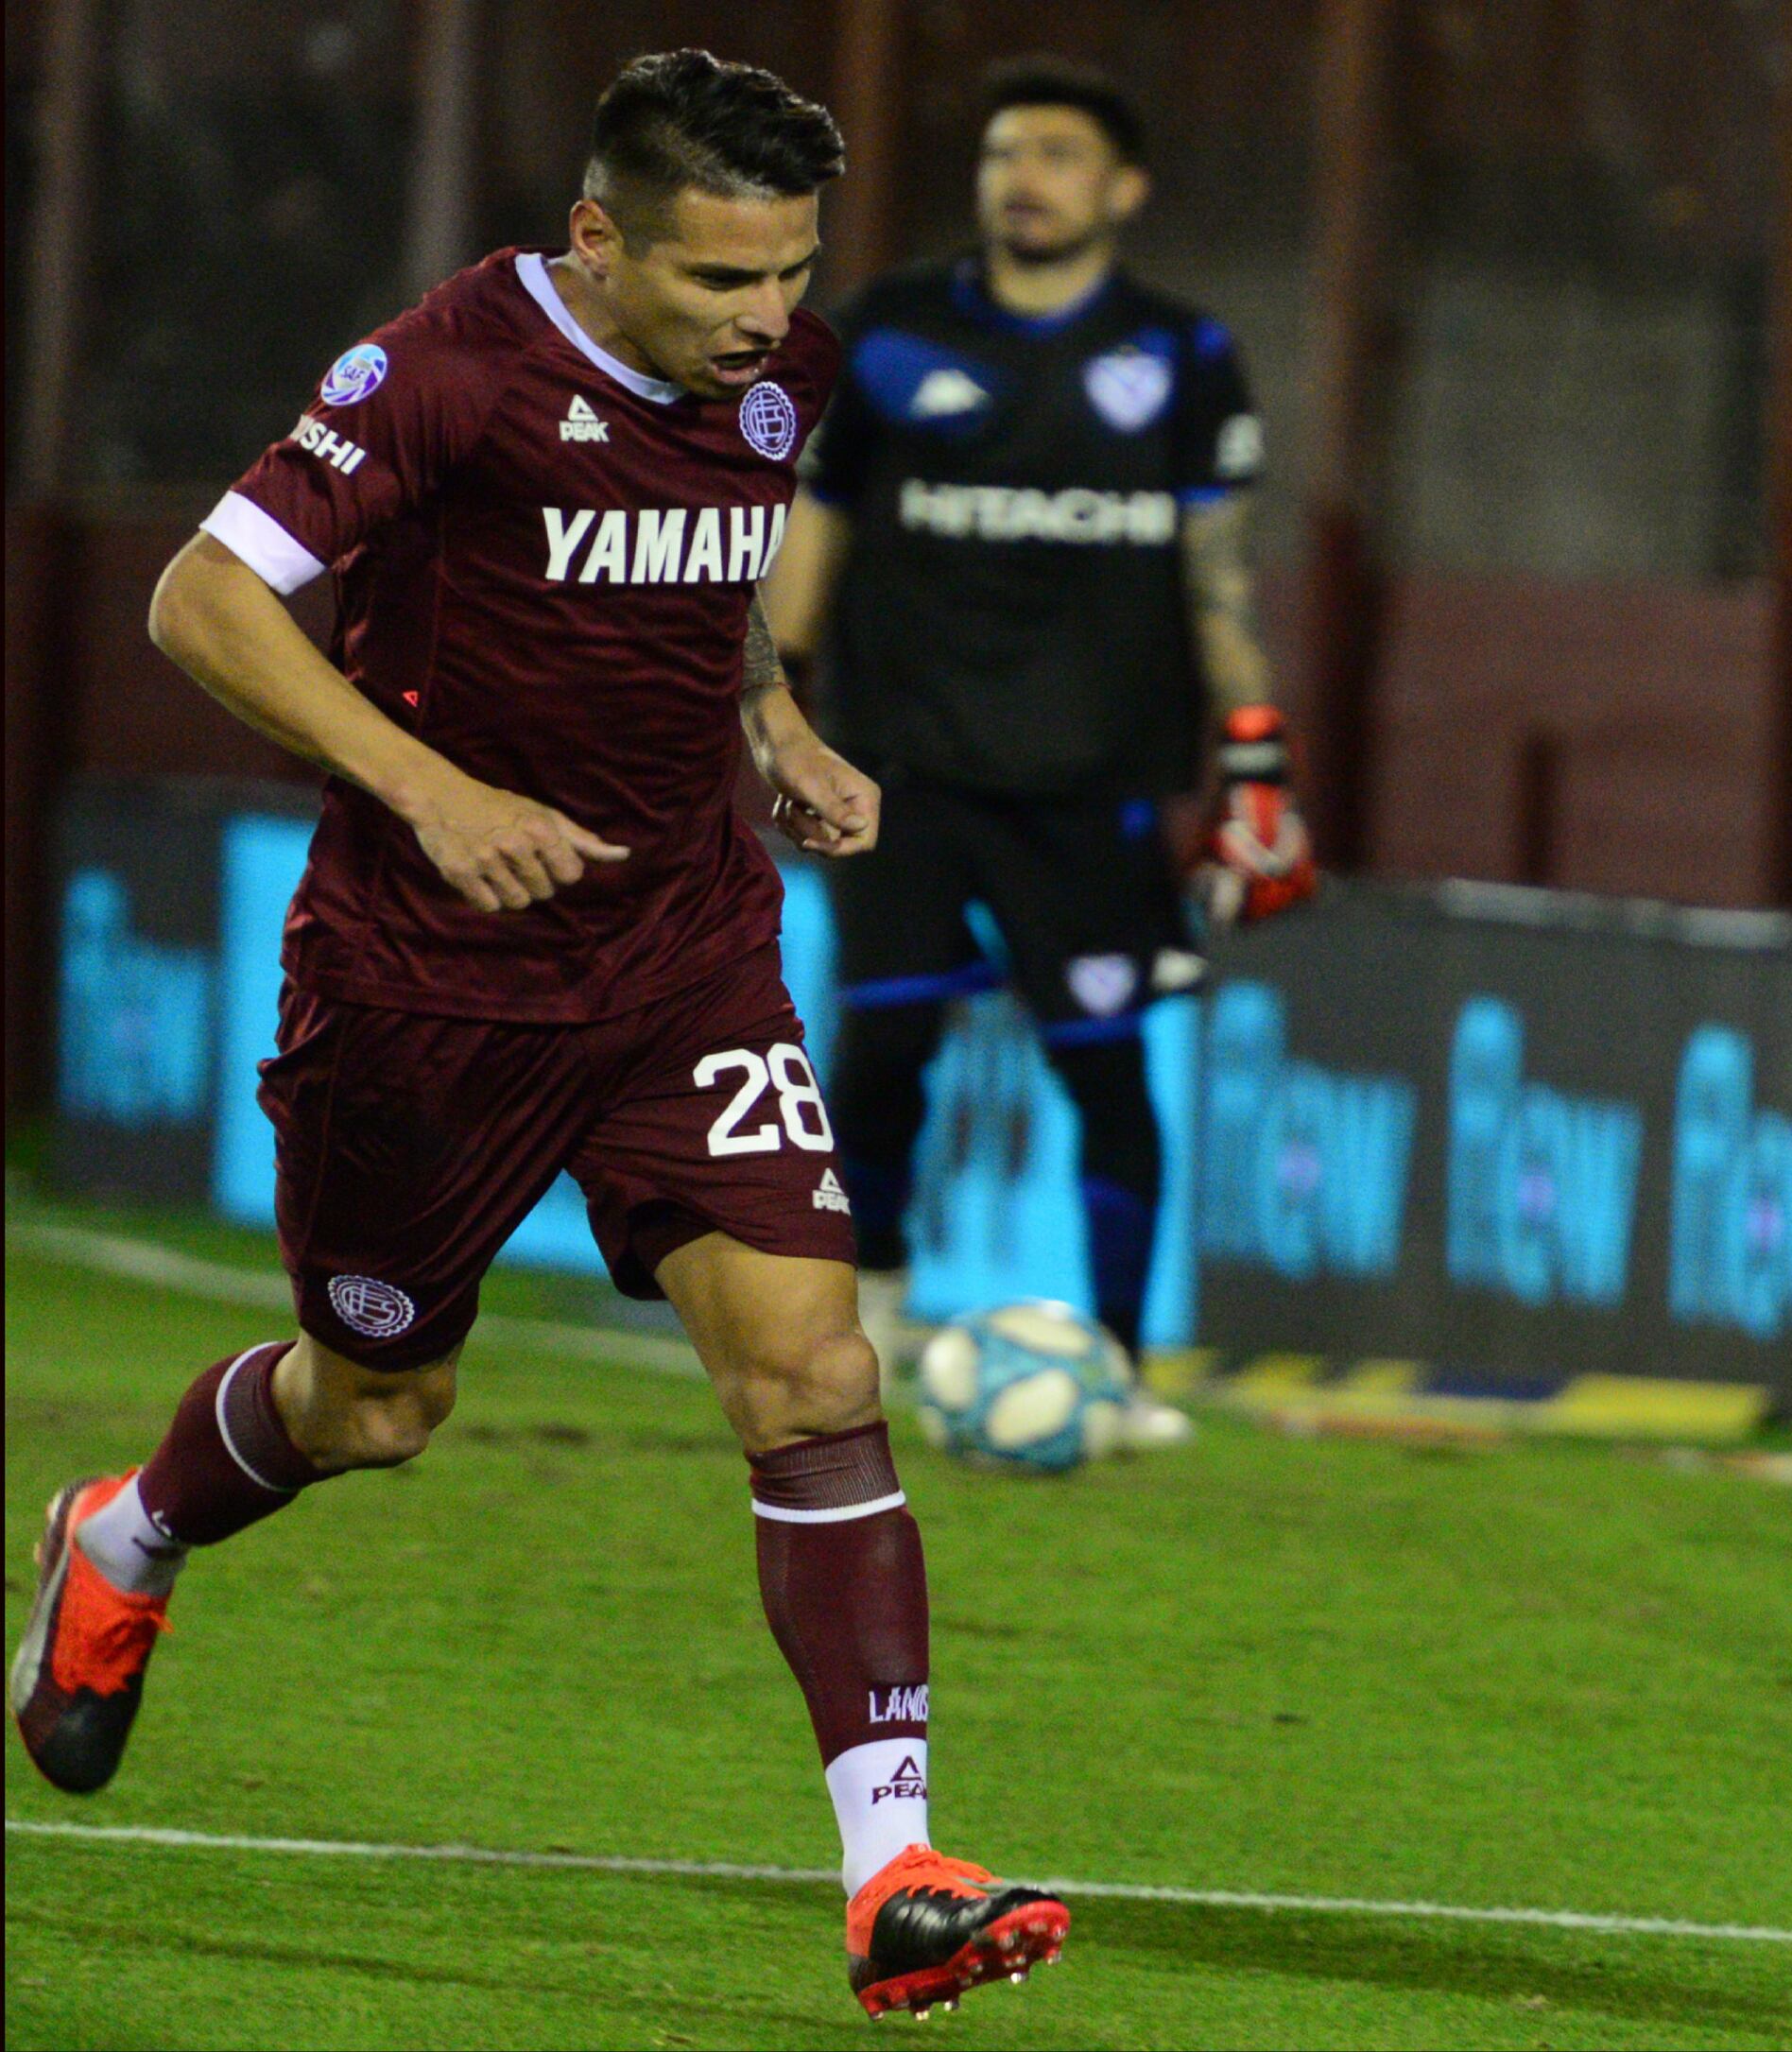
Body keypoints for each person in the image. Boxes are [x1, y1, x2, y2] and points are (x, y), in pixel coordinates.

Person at [9, 51, 1069, 2021]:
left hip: (683, 961)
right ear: (597, 239)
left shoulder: (779, 378)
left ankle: (893, 1867)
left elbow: (719, 577)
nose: (767, 319)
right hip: (424, 990)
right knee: (378, 1410)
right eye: (720, 281)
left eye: (792, 274)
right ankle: (126, 1529)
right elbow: (199, 605)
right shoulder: (444, 373)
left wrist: (776, 726)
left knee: (815, 1369)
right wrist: (429, 791)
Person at [760, 56, 1308, 1428]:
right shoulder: (882, 332)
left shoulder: (1182, 356)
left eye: (1060, 154)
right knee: (881, 1061)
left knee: (1106, 1073)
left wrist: (1256, 760)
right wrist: (774, 717)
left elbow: (1218, 579)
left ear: (1122, 189)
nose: (1026, 177)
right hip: (900, 773)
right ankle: (863, 1332)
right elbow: (805, 551)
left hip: (1094, 786)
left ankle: (1115, 1369)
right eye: (1006, 152)